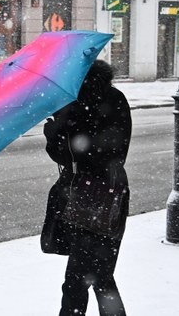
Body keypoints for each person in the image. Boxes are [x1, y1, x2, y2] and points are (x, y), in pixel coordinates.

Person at [43, 60, 132, 316]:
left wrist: (54, 132)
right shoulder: (115, 97)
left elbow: (69, 156)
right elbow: (117, 149)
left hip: (87, 197)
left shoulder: (74, 105)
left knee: (78, 280)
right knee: (101, 274)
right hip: (114, 194)